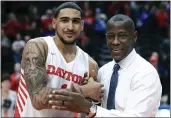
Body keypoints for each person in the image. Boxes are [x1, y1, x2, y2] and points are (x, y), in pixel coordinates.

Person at [48, 14, 162, 117]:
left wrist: (88, 107)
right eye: (111, 36)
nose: (115, 42)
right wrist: (86, 97)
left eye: (122, 36)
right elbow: (97, 111)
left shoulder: (146, 73)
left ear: (134, 37)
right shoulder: (103, 71)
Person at [14, 2, 103, 117]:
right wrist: (83, 91)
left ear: (82, 25)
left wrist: (92, 100)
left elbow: (90, 110)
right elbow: (38, 99)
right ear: (54, 23)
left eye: (75, 21)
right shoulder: (38, 47)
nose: (70, 27)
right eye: (64, 20)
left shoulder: (90, 64)